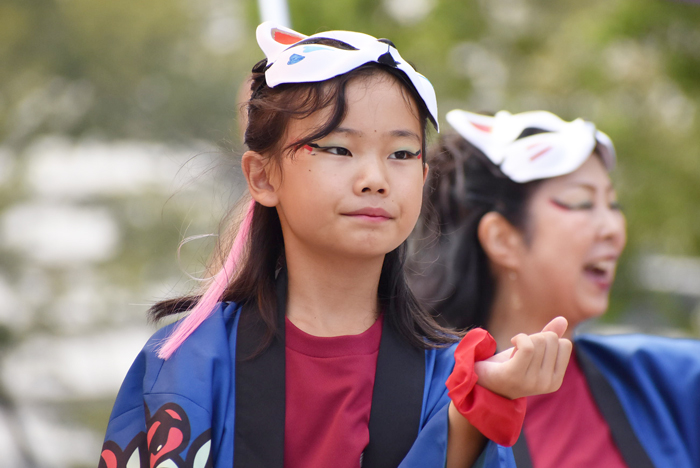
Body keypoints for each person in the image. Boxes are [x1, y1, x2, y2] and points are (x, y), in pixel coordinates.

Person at [99, 24, 571, 468]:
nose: (375, 180)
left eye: (402, 154)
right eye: (339, 149)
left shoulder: (451, 374)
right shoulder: (187, 360)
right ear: (262, 176)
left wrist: (482, 404)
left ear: (425, 178)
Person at [413, 108, 700, 468]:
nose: (613, 227)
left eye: (613, 204)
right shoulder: (416, 395)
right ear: (502, 239)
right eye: (581, 203)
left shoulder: (666, 383)